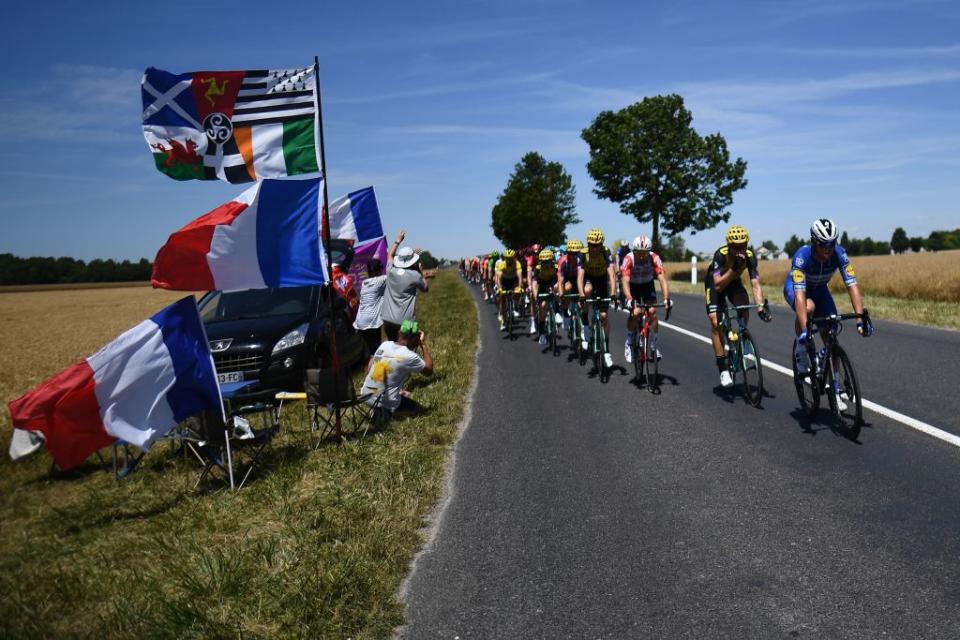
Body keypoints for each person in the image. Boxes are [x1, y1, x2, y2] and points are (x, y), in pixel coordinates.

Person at [785, 218, 872, 407]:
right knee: (809, 308)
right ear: (814, 242)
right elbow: (800, 295)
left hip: (820, 291)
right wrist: (805, 331)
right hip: (798, 290)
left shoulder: (840, 254)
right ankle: (801, 349)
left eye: (832, 243)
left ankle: (835, 388)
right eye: (823, 244)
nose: (828, 249)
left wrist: (860, 318)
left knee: (832, 332)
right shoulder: (802, 256)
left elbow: (852, 286)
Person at [704, 224, 772, 388]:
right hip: (716, 284)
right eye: (735, 247)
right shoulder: (721, 255)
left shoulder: (749, 256)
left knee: (744, 306)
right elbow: (718, 285)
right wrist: (734, 268)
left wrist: (761, 307)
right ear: (729, 245)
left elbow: (755, 284)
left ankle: (742, 337)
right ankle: (722, 368)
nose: (739, 250)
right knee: (715, 321)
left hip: (734, 283)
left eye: (743, 245)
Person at [360, 319, 434, 417]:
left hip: (365, 396)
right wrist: (423, 345)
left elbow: (370, 367)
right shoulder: (409, 356)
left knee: (402, 393)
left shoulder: (385, 344)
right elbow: (429, 371)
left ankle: (378, 407)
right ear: (414, 338)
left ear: (399, 333)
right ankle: (385, 412)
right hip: (383, 401)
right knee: (418, 409)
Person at [621, 235, 672, 363]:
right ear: (634, 251)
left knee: (653, 313)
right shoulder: (628, 259)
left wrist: (666, 298)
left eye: (645, 253)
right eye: (639, 253)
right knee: (636, 312)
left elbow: (662, 279)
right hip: (632, 286)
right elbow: (625, 282)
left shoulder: (654, 258)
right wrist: (629, 299)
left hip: (647, 285)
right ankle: (630, 340)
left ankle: (653, 345)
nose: (642, 256)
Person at [577, 228, 617, 369]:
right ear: (587, 243)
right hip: (589, 279)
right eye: (591, 245)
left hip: (601, 280)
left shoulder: (605, 252)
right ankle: (585, 325)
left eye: (597, 245)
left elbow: (612, 275)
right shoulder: (583, 253)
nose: (594, 248)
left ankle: (606, 351)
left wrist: (613, 293)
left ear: (601, 244)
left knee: (604, 316)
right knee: (586, 291)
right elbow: (580, 276)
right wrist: (581, 295)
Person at [382, 232, 429, 341]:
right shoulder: (415, 275)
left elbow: (389, 255)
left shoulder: (390, 270)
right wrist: (420, 271)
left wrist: (397, 241)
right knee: (408, 349)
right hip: (405, 321)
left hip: (387, 319)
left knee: (393, 348)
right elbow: (426, 288)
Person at [529, 247, 561, 344]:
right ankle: (542, 333)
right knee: (542, 306)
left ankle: (557, 312)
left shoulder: (556, 267)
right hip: (542, 284)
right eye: (544, 262)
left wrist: (559, 292)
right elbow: (534, 284)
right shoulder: (537, 269)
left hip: (552, 282)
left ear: (552, 261)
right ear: (540, 262)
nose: (546, 265)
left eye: (548, 262)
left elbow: (560, 280)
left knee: (556, 288)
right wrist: (536, 296)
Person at [494, 249, 522, 332]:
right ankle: (503, 320)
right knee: (502, 299)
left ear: (514, 258)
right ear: (505, 258)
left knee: (518, 291)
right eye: (507, 258)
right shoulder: (502, 264)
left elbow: (519, 278)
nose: (509, 260)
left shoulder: (517, 264)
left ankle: (516, 306)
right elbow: (498, 279)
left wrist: (519, 287)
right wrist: (499, 288)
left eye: (511, 258)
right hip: (504, 281)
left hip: (514, 280)